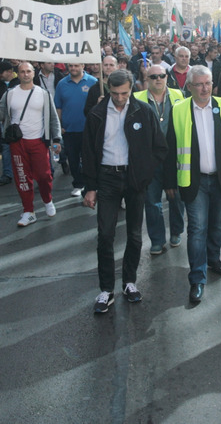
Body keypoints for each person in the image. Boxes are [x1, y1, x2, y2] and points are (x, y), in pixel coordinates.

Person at [82, 70, 167, 313]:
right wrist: (90, 187)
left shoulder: (143, 111)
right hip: (107, 178)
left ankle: (129, 282)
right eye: (116, 93)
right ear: (108, 89)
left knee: (134, 235)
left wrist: (144, 172)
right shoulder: (97, 114)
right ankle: (106, 289)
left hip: (134, 179)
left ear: (132, 88)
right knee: (105, 234)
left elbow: (159, 148)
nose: (120, 98)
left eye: (125, 93)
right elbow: (87, 153)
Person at [164, 65, 221, 304]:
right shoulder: (179, 110)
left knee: (218, 224)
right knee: (197, 229)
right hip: (195, 181)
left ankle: (213, 258)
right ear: (189, 86)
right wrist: (169, 181)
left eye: (208, 83)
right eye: (199, 84)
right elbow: (170, 148)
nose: (204, 88)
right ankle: (197, 278)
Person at [0, 61, 62, 227]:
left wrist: (56, 139)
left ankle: (48, 200)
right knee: (22, 178)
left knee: (43, 175)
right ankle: (28, 211)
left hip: (38, 142)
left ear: (34, 73)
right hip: (17, 143)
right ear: (17, 74)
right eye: (22, 71)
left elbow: (53, 118)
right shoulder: (10, 94)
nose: (25, 74)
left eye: (28, 71)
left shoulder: (44, 94)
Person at [134, 63, 187, 254]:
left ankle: (176, 231)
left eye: (161, 76)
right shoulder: (136, 98)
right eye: (153, 76)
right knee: (152, 201)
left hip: (174, 155)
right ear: (146, 79)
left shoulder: (179, 95)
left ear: (167, 77)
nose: (158, 79)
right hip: (149, 158)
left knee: (177, 198)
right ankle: (157, 240)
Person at [54, 62, 93, 197]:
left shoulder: (93, 82)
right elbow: (58, 106)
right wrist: (60, 125)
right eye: (71, 66)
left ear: (82, 66)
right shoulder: (61, 84)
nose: (73, 68)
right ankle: (78, 184)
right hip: (69, 131)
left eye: (76, 66)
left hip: (88, 131)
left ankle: (90, 185)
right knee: (73, 160)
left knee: (89, 160)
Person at [0, 62, 18, 185]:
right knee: (6, 148)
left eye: (1, 72)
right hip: (6, 122)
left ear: (9, 71)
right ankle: (7, 173)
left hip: (20, 123)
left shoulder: (18, 83)